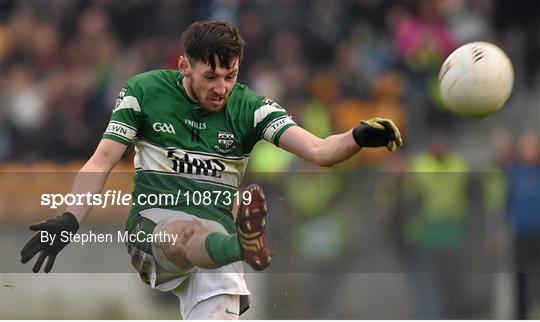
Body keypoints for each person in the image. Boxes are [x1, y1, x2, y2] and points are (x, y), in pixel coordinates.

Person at [20, 20, 402, 319]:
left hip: (215, 244)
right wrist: (69, 218)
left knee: (208, 240)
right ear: (184, 65)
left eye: (230, 76)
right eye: (211, 77)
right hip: (153, 229)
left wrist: (357, 136)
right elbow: (102, 159)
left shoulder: (250, 108)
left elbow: (319, 150)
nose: (222, 88)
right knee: (190, 230)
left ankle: (239, 244)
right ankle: (245, 244)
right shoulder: (144, 92)